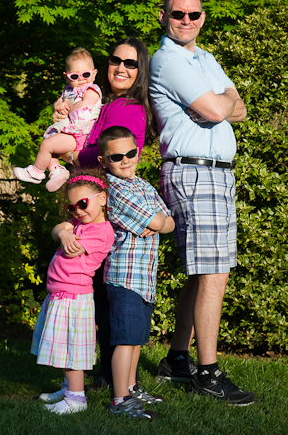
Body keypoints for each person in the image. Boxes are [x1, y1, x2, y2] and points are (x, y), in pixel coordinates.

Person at [149, 0, 255, 406]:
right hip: (194, 172)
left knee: (202, 270)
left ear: (203, 18)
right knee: (214, 272)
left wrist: (220, 100)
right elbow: (217, 110)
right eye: (178, 15)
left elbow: (238, 108)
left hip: (215, 173)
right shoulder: (167, 60)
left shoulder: (204, 58)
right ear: (163, 16)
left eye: (193, 15)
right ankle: (207, 373)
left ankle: (177, 358)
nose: (186, 22)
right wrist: (217, 102)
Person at [56, 37, 157, 392]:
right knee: (100, 294)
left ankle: (120, 383)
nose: (122, 68)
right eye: (116, 60)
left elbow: (105, 152)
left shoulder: (127, 108)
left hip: (109, 206)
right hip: (96, 203)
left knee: (108, 295)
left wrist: (71, 156)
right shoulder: (107, 101)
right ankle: (110, 378)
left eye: (131, 64)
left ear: (140, 70)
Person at [96, 126, 174, 419]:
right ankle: (120, 399)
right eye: (117, 157)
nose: (126, 160)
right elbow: (156, 218)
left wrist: (158, 223)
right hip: (124, 276)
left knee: (137, 339)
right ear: (104, 161)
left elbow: (168, 221)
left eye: (131, 153)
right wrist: (157, 222)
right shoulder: (115, 189)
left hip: (144, 278)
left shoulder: (142, 184)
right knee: (125, 340)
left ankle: (131, 386)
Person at [31, 170, 115, 414]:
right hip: (61, 294)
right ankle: (69, 387)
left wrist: (67, 233)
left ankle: (76, 399)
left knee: (70, 348)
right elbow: (57, 230)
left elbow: (72, 249)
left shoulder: (100, 231)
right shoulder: (81, 224)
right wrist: (64, 231)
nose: (78, 211)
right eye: (72, 207)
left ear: (102, 199)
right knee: (63, 345)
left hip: (73, 296)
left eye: (83, 203)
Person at [14, 47, 103, 192]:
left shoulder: (92, 89)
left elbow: (87, 103)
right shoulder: (68, 91)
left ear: (94, 73)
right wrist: (58, 105)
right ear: (67, 77)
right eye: (75, 76)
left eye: (85, 74)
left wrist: (70, 107)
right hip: (70, 132)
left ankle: (36, 172)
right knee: (49, 143)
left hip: (81, 135)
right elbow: (58, 103)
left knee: (47, 145)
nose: (81, 79)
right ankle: (56, 170)